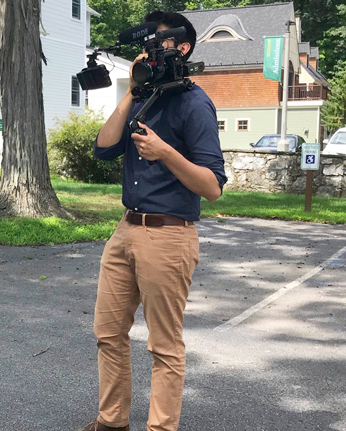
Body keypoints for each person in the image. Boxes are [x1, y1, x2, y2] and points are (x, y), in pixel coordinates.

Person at [77, 11, 227, 431]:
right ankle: (112, 421)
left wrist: (165, 152)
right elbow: (104, 149)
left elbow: (213, 186)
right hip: (126, 230)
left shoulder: (195, 103)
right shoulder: (143, 99)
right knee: (108, 332)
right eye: (147, 42)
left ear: (183, 48)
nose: (150, 49)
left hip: (169, 235)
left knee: (163, 346)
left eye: (159, 41)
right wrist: (130, 91)